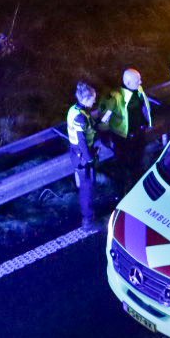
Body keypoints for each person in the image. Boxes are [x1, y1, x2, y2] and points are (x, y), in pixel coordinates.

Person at [101, 67, 154, 197]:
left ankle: (136, 189)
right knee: (122, 167)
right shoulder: (115, 98)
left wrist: (147, 123)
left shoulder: (138, 90)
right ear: (128, 83)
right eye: (138, 81)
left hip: (138, 135)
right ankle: (121, 193)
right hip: (122, 139)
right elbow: (104, 119)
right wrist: (105, 138)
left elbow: (145, 107)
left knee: (138, 164)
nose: (141, 82)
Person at [66, 81, 101, 230]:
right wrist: (90, 158)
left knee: (87, 185)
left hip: (78, 154)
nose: (95, 100)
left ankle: (89, 216)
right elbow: (81, 141)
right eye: (93, 98)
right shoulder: (80, 117)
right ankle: (88, 221)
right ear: (86, 99)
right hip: (82, 156)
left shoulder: (75, 110)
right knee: (86, 188)